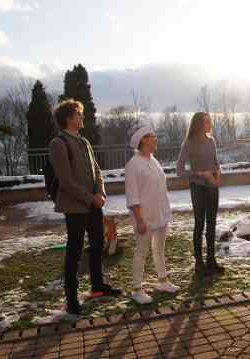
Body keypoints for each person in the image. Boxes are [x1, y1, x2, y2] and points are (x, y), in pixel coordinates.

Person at [49, 99, 121, 316]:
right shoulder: (58, 144)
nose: (82, 117)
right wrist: (92, 198)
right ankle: (71, 299)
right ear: (69, 118)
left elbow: (97, 171)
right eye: (79, 114)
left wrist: (101, 193)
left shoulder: (85, 142)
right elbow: (67, 182)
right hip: (75, 207)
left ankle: (97, 286)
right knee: (74, 251)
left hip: (93, 204)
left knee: (98, 244)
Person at [125, 126, 179, 304]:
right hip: (145, 217)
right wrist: (139, 219)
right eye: (152, 137)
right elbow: (132, 196)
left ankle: (162, 281)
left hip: (160, 213)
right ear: (144, 140)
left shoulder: (153, 160)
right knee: (141, 251)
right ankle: (137, 289)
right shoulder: (133, 165)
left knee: (159, 249)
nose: (156, 139)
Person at [176, 112, 224, 276]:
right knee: (200, 225)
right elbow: (179, 170)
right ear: (198, 124)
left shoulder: (211, 141)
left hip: (213, 187)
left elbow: (216, 163)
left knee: (212, 225)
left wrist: (218, 174)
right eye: (206, 122)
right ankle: (199, 264)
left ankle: (211, 261)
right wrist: (200, 174)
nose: (210, 124)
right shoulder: (189, 143)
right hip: (198, 188)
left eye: (209, 122)